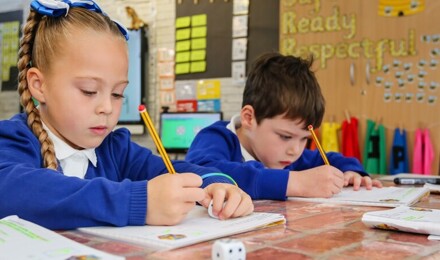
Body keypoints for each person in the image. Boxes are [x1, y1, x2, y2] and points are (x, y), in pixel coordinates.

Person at [0, 0, 253, 230]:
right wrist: (138, 202)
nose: (107, 108)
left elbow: (174, 170)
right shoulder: (15, 139)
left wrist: (218, 185)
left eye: (118, 94)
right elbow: (14, 192)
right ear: (38, 85)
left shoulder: (116, 149)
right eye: (89, 91)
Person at [186, 52, 382, 200]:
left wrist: (353, 173)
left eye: (305, 138)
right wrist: (295, 182)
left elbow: (331, 159)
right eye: (285, 136)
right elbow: (202, 174)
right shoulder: (216, 138)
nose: (295, 150)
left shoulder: (285, 156)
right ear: (249, 118)